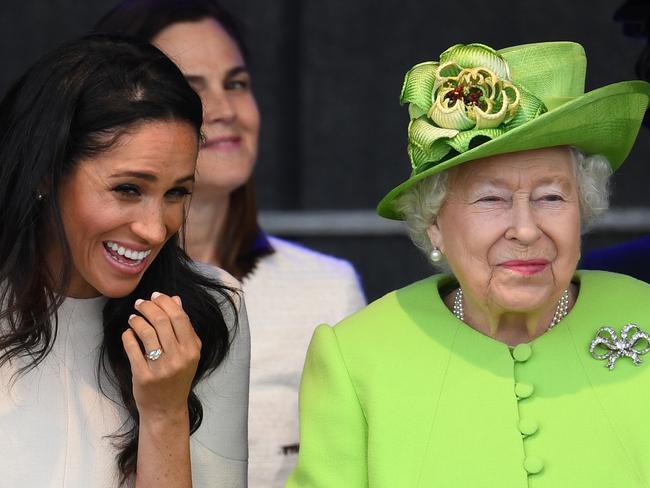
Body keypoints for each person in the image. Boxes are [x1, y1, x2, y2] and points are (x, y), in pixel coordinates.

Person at [286, 41, 650, 487]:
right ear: (434, 223)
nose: (526, 229)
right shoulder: (356, 356)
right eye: (491, 199)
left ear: (584, 209)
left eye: (551, 197)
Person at [94, 2, 366, 486]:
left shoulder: (326, 288)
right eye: (188, 89)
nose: (222, 110)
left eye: (235, 84)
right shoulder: (85, 291)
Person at [0, 34, 249, 487]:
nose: (155, 229)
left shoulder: (208, 312)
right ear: (46, 173)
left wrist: (164, 416)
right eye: (128, 189)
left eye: (176, 192)